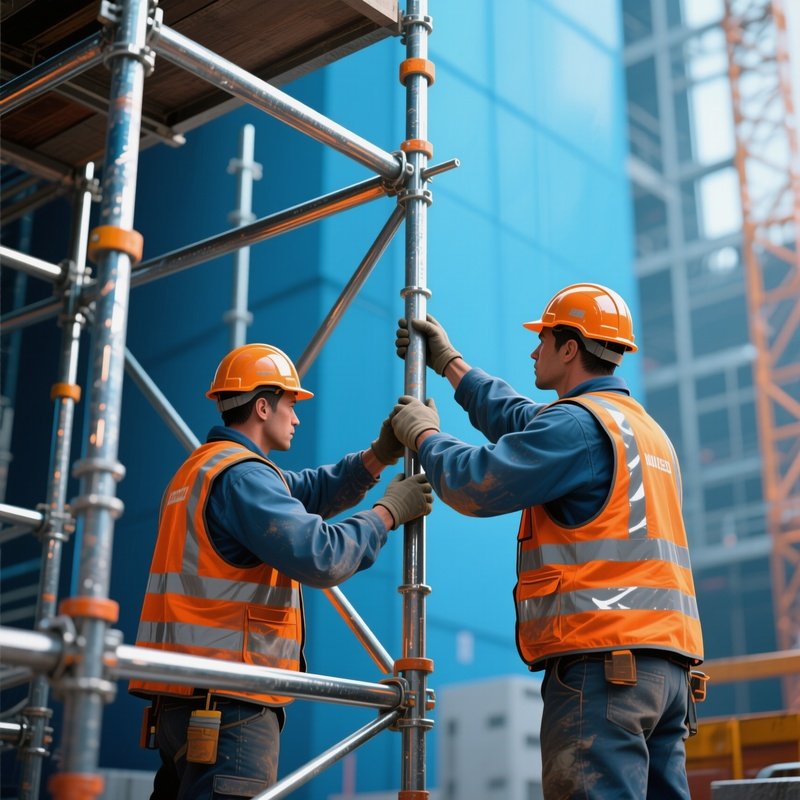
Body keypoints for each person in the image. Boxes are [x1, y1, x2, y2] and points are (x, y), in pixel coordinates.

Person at [390, 284, 704, 800]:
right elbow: (520, 419)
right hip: (667, 673)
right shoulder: (642, 431)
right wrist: (450, 364)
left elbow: (476, 484)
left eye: (544, 339)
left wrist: (425, 437)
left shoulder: (578, 428)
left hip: (604, 669)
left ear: (570, 348)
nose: (534, 350)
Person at [130, 343, 433, 799]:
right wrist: (388, 512)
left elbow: (310, 491)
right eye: (291, 403)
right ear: (263, 405)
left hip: (183, 703)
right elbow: (322, 555)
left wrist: (378, 455)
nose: (296, 417)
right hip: (231, 703)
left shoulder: (204, 470)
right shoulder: (244, 478)